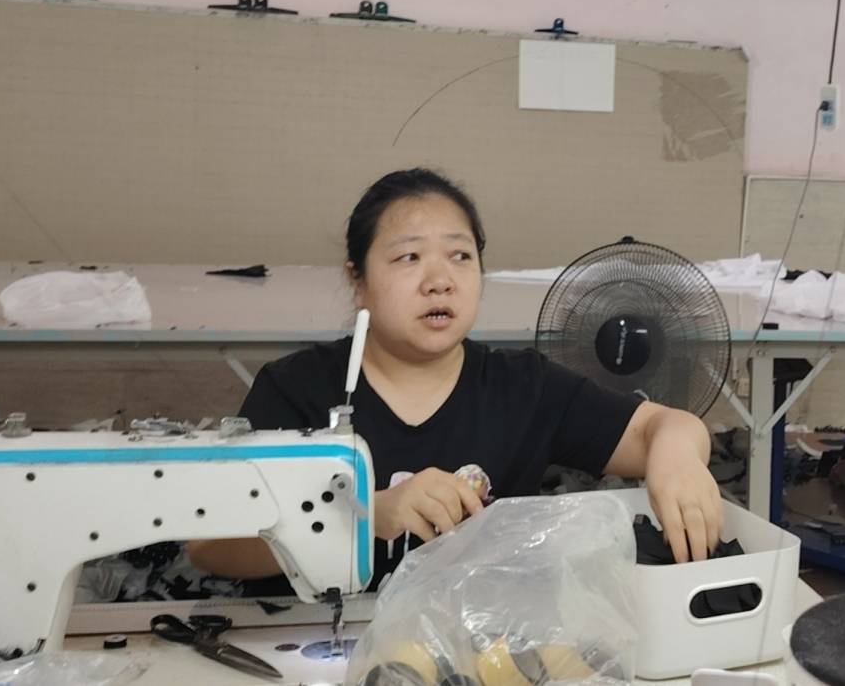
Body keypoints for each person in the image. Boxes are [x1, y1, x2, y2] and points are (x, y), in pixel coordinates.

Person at [189, 168, 723, 588]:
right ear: (358, 280)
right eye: (409, 257)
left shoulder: (524, 387)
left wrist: (676, 457)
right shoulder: (295, 389)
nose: (440, 281)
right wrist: (365, 518)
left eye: (460, 256)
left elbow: (664, 426)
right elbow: (211, 547)